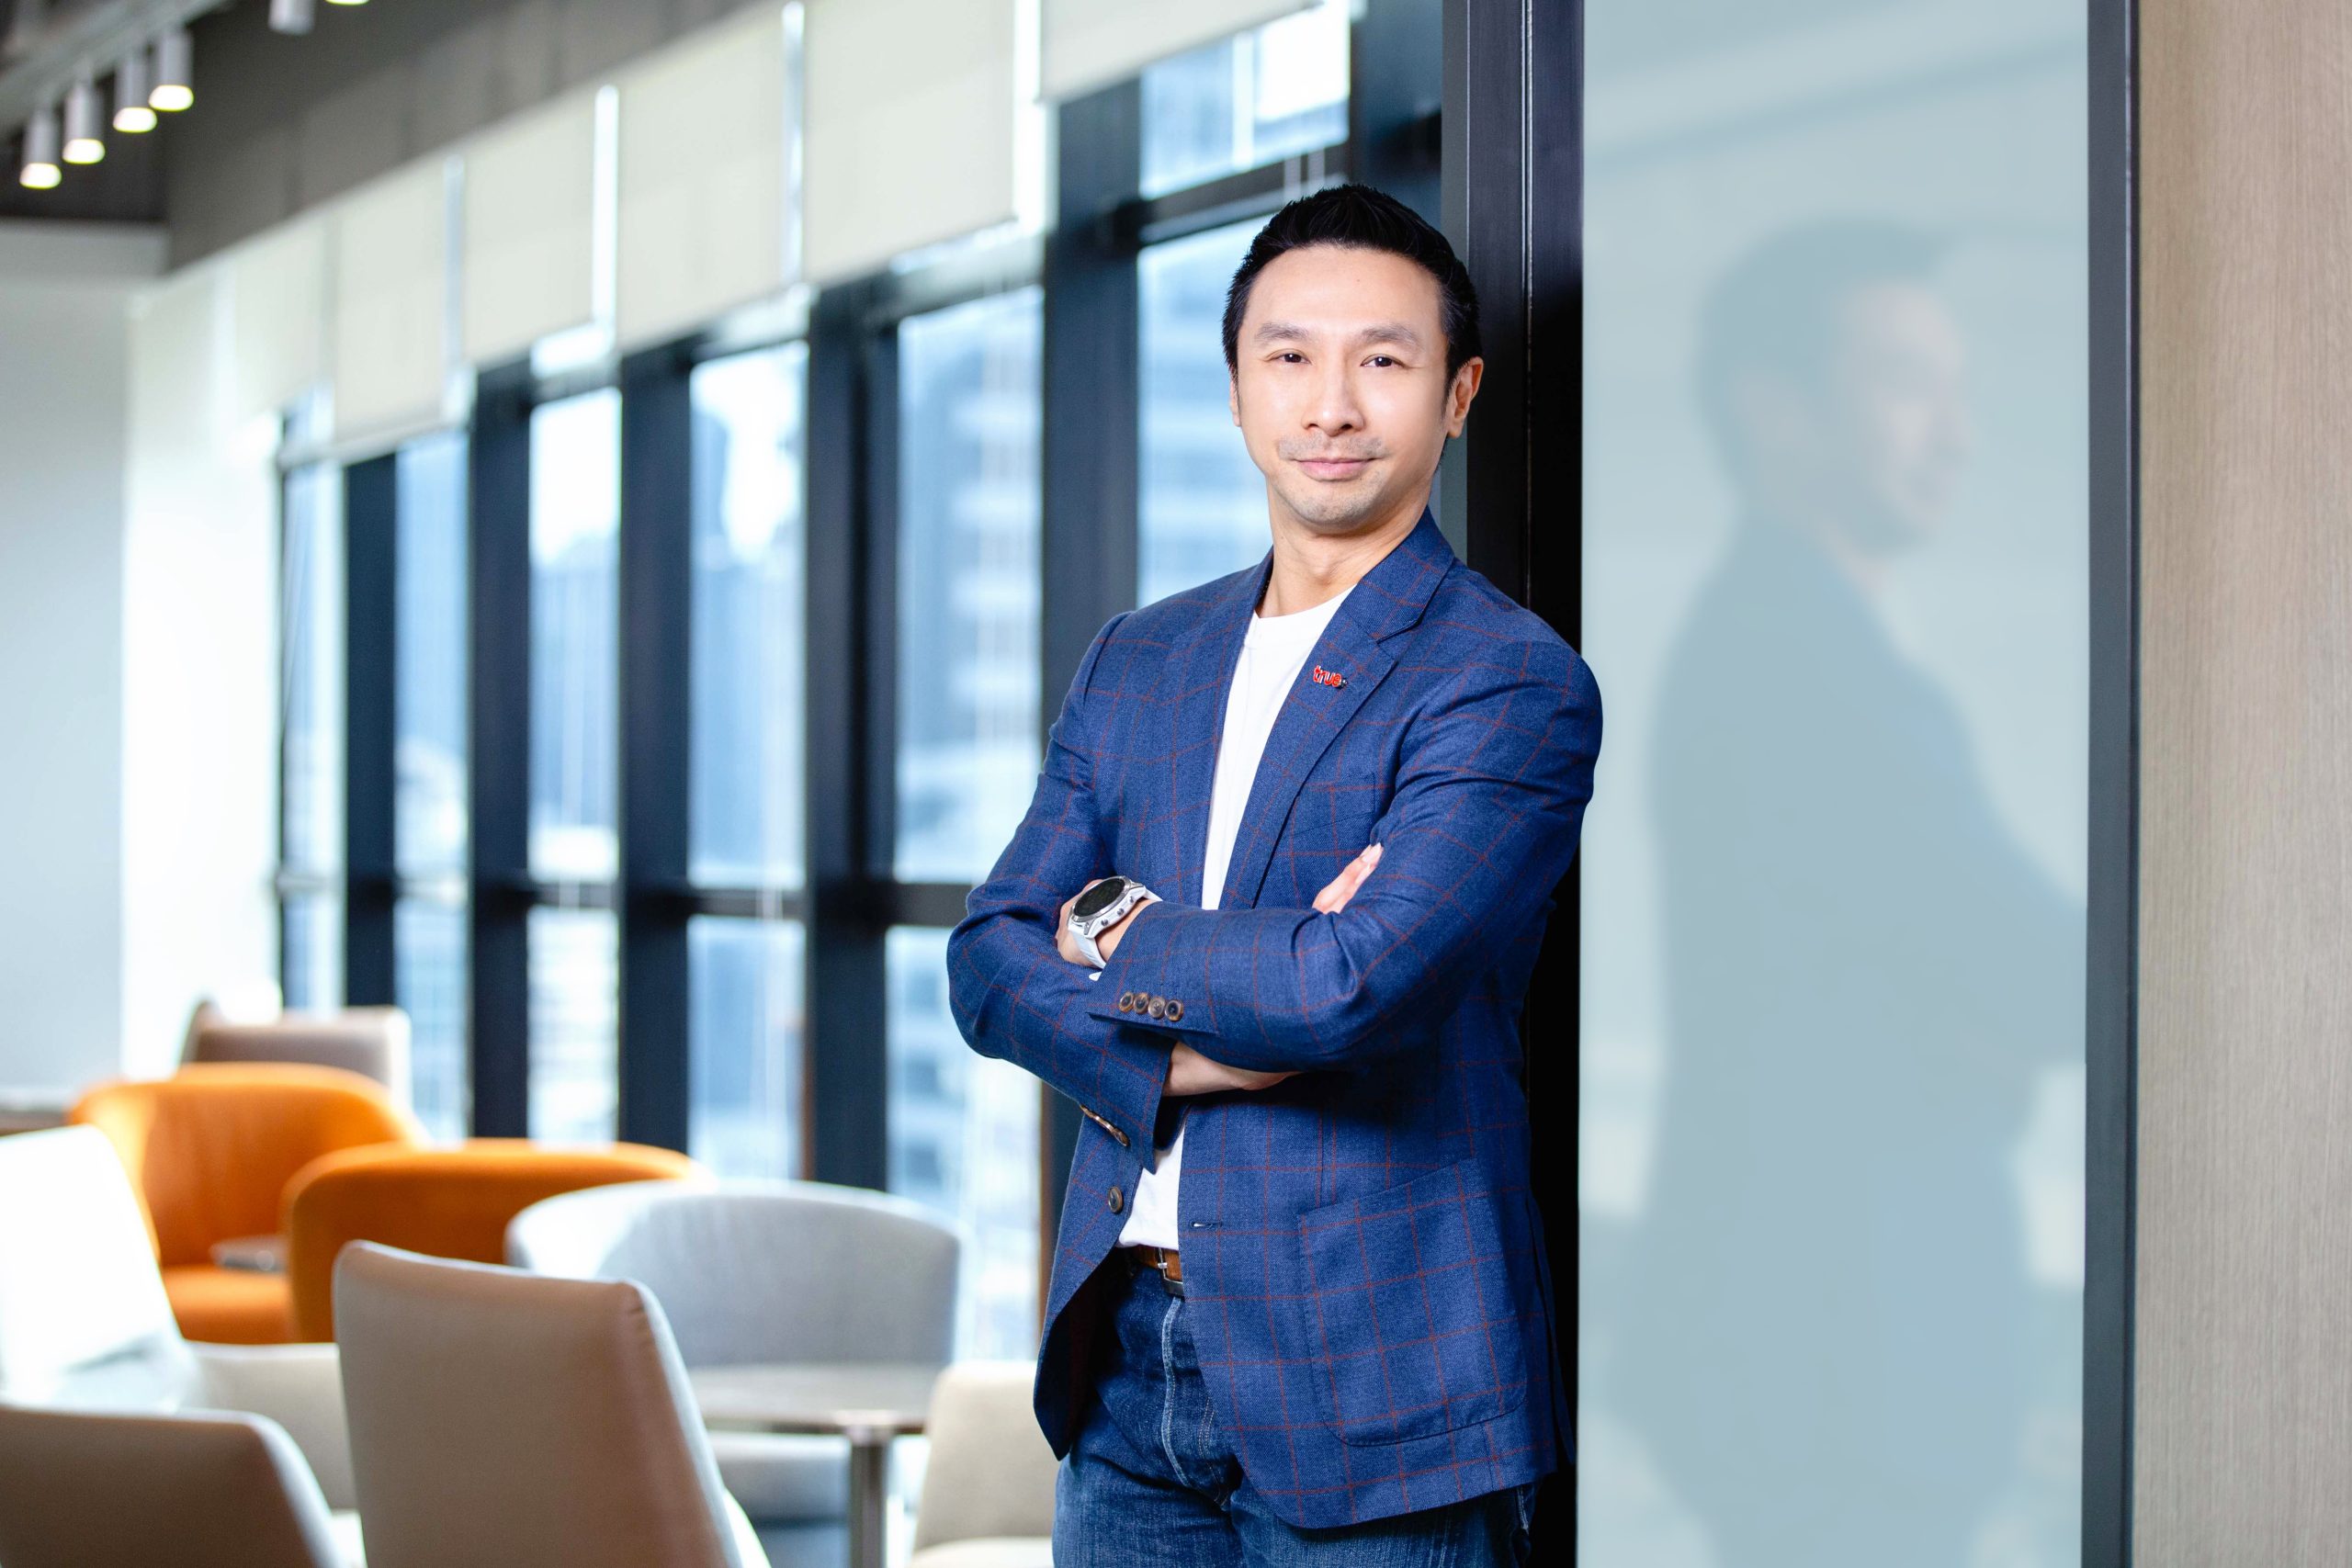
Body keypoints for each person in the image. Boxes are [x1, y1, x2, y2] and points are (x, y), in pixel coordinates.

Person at [946, 183, 1600, 1567]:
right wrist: (1203, 1042)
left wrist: (1113, 926)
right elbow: (989, 959)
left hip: (1379, 1384)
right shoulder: (1141, 657)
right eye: (1290, 356)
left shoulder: (1506, 680)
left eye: (1384, 360)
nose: (1332, 406)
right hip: (1125, 1362)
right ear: (1239, 389)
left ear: (1458, 394)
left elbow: (1343, 990)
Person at [1611, 220, 2084, 1565]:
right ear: (1777, 411)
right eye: (1907, 384)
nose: (1958, 436)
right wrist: (1982, 1030)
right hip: (1837, 1354)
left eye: (1959, 390)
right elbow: (2044, 974)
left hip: (1817, 1338)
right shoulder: (1806, 665)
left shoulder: (1795, 642)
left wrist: (1966, 1024)